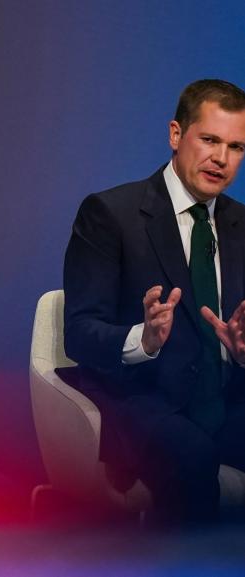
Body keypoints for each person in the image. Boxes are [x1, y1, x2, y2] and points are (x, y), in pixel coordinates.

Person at [63, 79, 245, 524]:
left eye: (237, 147)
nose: (221, 158)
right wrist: (141, 340)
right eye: (210, 140)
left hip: (224, 394)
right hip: (144, 396)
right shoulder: (111, 214)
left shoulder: (242, 223)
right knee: (193, 460)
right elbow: (80, 332)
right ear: (176, 135)